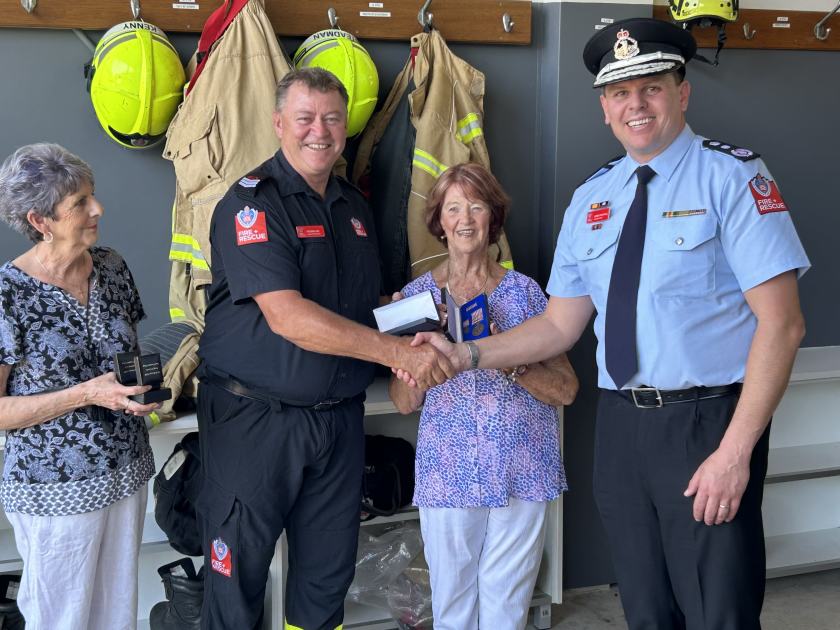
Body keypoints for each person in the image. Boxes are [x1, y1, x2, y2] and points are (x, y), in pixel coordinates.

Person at [403, 18, 810, 630]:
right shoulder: (593, 200)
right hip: (621, 429)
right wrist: (463, 354)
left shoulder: (732, 177)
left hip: (706, 424)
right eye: (620, 92)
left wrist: (735, 452)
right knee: (644, 607)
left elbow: (783, 327)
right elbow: (559, 327)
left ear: (682, 92)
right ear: (603, 107)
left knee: (717, 610)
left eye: (650, 87)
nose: (635, 105)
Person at [195, 67, 453, 630]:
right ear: (279, 123)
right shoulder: (252, 206)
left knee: (326, 576)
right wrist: (399, 357)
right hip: (255, 421)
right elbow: (289, 317)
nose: (320, 131)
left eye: (332, 119)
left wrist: (426, 319)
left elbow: (362, 309)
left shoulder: (351, 207)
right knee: (236, 575)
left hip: (338, 423)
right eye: (306, 118)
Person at [389, 162, 578, 629]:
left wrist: (504, 352)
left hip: (523, 470)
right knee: (452, 605)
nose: (465, 219)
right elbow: (402, 402)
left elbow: (566, 390)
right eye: (453, 208)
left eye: (476, 206)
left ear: (493, 218)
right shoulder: (415, 299)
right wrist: (405, 361)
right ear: (440, 221)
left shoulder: (527, 294)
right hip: (448, 473)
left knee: (507, 607)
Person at [0, 143, 160, 630]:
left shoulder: (111, 267)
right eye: (80, 204)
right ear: (40, 220)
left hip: (125, 471)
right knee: (62, 618)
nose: (98, 209)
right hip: (55, 488)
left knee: (116, 613)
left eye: (94, 196)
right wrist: (86, 393)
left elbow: (124, 357)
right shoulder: (8, 293)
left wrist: (141, 390)